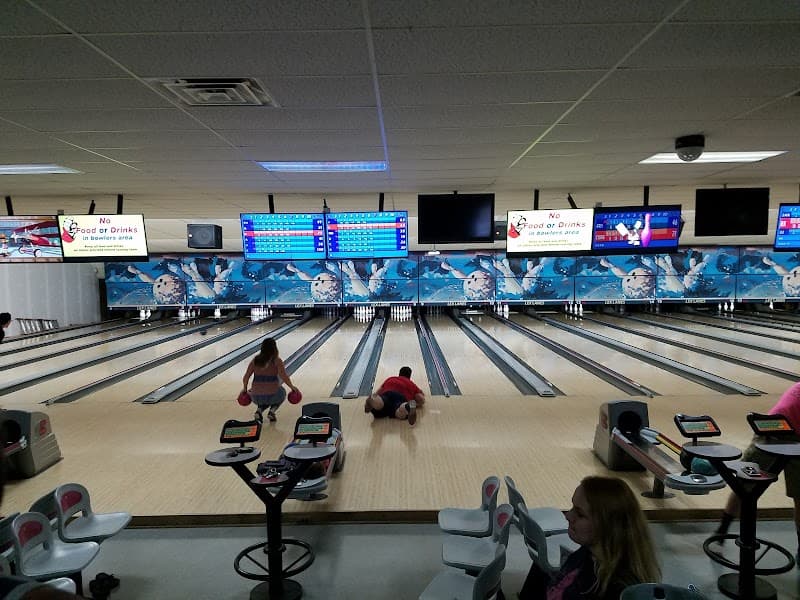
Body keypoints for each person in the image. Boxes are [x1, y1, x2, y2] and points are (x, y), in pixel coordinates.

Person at [520, 476, 661, 600]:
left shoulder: (617, 589)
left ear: (607, 526)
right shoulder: (588, 554)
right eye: (572, 507)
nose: (568, 516)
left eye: (580, 514)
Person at [716, 380, 800, 562]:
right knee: (743, 487)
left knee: (799, 497)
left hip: (787, 435)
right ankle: (721, 534)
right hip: (772, 431)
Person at [242, 338, 299, 423]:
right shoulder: (277, 360)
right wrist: (292, 387)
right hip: (273, 394)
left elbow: (246, 377)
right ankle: (272, 411)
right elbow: (284, 376)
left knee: (262, 396)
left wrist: (245, 389)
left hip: (256, 396)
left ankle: (259, 411)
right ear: (274, 348)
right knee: (281, 392)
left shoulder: (255, 360)